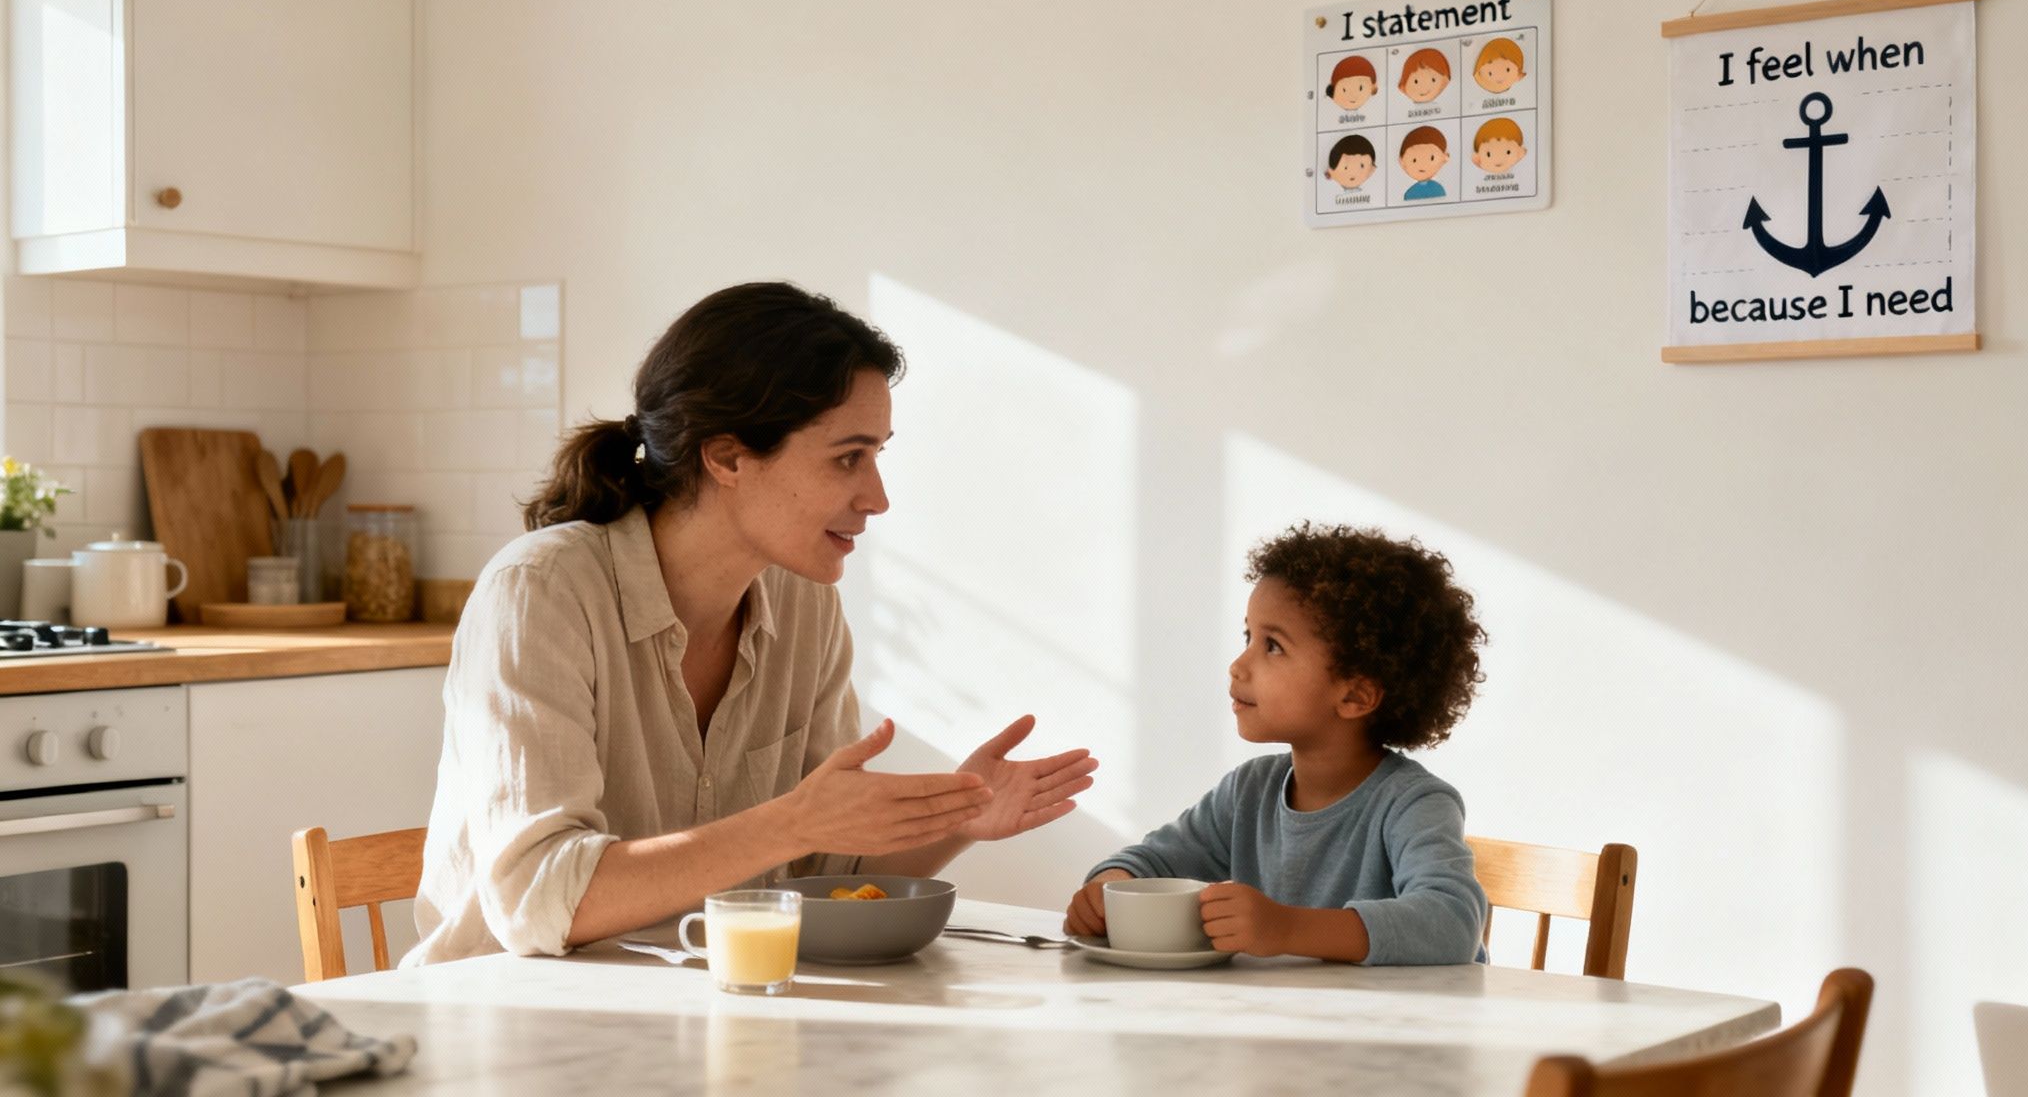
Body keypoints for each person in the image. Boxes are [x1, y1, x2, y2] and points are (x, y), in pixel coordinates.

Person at [406, 281, 1097, 965]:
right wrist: (792, 821)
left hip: (698, 1012)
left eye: (878, 455)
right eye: (848, 457)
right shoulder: (541, 592)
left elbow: (821, 864)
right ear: (728, 455)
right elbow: (537, 899)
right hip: (504, 1026)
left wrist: (953, 820)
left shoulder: (804, 604)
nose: (878, 498)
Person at [1064, 523, 1488, 965]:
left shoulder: (1414, 803)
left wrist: (1286, 927)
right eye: (1247, 637)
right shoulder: (1250, 791)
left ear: (1354, 695)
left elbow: (1452, 921)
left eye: (1273, 646)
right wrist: (1107, 889)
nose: (1237, 665)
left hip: (1406, 1028)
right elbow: (1154, 861)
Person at [1399, 126, 1449, 201]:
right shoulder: (1410, 193)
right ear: (1402, 162)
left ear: (1445, 158)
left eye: (1431, 158)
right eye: (1414, 160)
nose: (1421, 165)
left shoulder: (1438, 190)